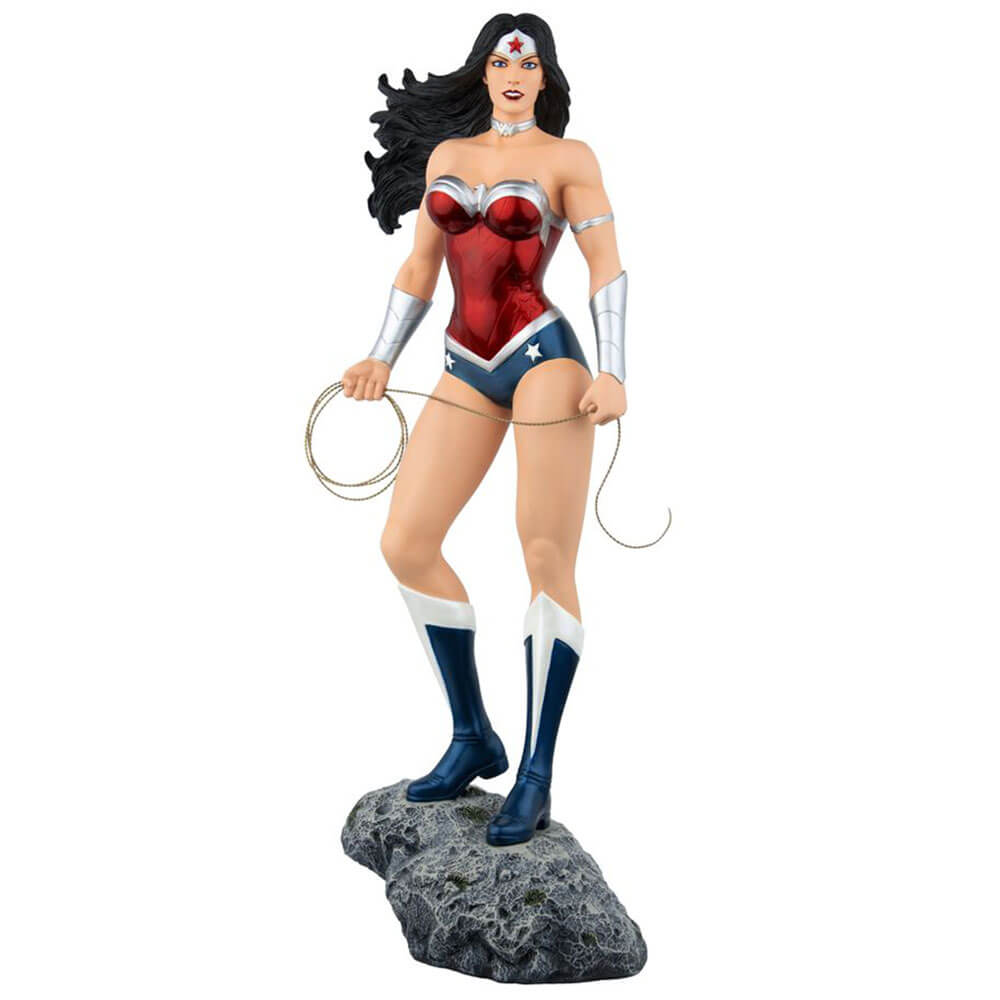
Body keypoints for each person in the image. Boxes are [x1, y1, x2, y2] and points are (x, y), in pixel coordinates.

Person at [341, 13, 629, 846]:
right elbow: (420, 266)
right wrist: (379, 357)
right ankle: (474, 736)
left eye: (528, 61)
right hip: (465, 362)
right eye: (501, 58)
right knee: (406, 542)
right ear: (483, 71)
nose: (513, 71)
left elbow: (607, 266)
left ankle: (535, 772)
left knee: (543, 555)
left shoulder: (569, 160)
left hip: (544, 359)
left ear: (545, 76)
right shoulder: (449, 155)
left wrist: (614, 371)